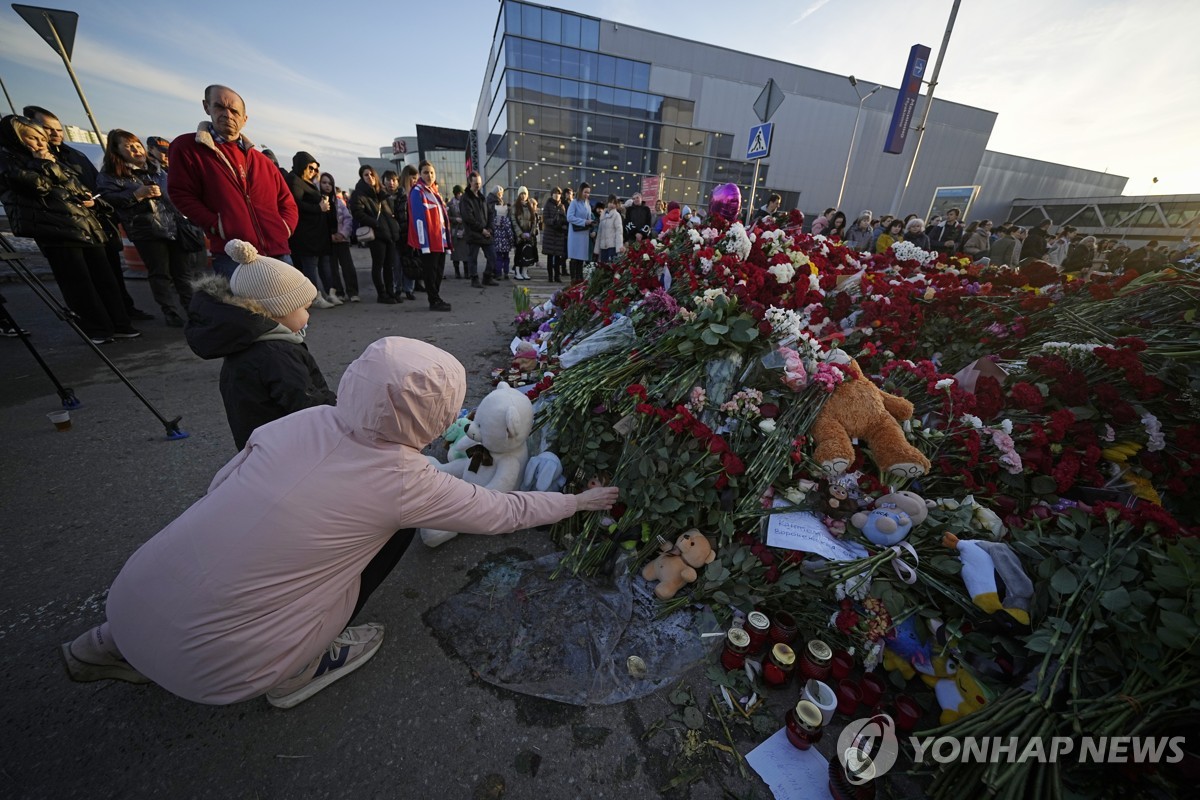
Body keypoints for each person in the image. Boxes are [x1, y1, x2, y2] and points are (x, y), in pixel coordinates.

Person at [59, 336, 621, 708]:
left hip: (126, 601)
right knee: (390, 534)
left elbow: (220, 488)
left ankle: (107, 646)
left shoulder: (306, 420)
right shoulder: (406, 482)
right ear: (433, 416)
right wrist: (575, 503)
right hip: (215, 670)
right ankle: (296, 668)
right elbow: (503, 510)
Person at [0, 115, 139, 344]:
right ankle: (97, 329)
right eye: (33, 138)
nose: (40, 143)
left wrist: (92, 202)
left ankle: (119, 324)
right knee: (78, 283)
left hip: (84, 224)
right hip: (55, 230)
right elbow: (37, 186)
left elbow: (74, 184)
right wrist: (44, 163)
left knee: (105, 279)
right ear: (17, 137)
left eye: (41, 138)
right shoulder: (10, 160)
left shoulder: (53, 158)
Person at [184, 239, 335, 449]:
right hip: (287, 449)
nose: (308, 316)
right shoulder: (277, 354)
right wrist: (337, 411)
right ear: (277, 311)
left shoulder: (248, 343)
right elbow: (304, 403)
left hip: (261, 447)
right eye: (303, 308)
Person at [24, 104, 154, 322]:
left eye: (58, 129)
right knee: (80, 280)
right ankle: (98, 323)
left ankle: (122, 312)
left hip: (96, 223)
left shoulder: (74, 155)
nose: (55, 134)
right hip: (62, 228)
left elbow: (98, 188)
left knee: (110, 274)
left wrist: (97, 203)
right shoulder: (30, 160)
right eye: (48, 129)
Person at [166, 86, 299, 279]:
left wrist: (283, 228)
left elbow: (287, 201)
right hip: (233, 254)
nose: (228, 115)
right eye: (220, 106)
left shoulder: (262, 161)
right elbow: (180, 193)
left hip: (277, 251)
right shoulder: (188, 148)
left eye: (235, 111)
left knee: (291, 306)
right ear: (207, 107)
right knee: (246, 308)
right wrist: (217, 225)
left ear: (244, 119)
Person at [97, 129, 199, 327]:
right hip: (147, 231)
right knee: (160, 272)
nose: (136, 150)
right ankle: (170, 311)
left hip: (175, 226)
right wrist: (137, 195)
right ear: (116, 150)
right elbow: (107, 201)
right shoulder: (111, 175)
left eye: (137, 145)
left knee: (183, 272)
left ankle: (192, 310)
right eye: (128, 146)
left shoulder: (158, 169)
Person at [285, 152, 338, 308]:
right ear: (302, 165)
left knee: (322, 263)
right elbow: (295, 204)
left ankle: (329, 293)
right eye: (310, 168)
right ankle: (314, 297)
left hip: (317, 232)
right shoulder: (294, 180)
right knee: (310, 265)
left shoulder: (305, 182)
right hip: (306, 234)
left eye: (316, 169)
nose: (313, 172)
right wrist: (318, 207)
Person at [350, 165, 401, 304]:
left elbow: (389, 212)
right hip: (376, 234)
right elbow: (357, 213)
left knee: (389, 265)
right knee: (378, 265)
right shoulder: (359, 194)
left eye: (372, 174)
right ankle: (382, 294)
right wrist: (375, 223)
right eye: (366, 175)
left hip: (388, 233)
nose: (370, 177)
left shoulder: (380, 192)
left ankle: (391, 292)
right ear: (362, 177)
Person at [408, 159, 453, 312]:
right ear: (420, 174)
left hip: (440, 239)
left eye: (432, 172)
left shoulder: (434, 192)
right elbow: (418, 219)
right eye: (426, 172)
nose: (429, 175)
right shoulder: (417, 191)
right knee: (430, 271)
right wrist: (424, 243)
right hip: (429, 241)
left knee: (439, 271)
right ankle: (433, 300)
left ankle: (436, 297)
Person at [320, 172, 359, 302]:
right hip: (327, 241)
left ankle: (353, 292)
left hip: (342, 239)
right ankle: (339, 292)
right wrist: (329, 236)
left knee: (348, 267)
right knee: (332, 269)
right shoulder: (318, 202)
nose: (327, 186)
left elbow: (348, 218)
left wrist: (342, 234)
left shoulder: (338, 202)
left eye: (329, 183)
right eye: (324, 183)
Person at [460, 172, 497, 288]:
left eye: (479, 183)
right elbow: (468, 218)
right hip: (473, 233)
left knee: (493, 256)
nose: (478, 185)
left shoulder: (482, 198)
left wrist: (490, 228)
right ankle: (474, 278)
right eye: (476, 183)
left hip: (485, 232)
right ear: (470, 182)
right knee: (473, 258)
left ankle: (487, 276)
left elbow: (490, 213)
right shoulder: (465, 198)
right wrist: (482, 230)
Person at [566, 181, 595, 283]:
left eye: (588, 192)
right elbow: (569, 217)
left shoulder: (587, 203)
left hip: (584, 233)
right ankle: (573, 278)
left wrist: (591, 223)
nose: (587, 194)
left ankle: (579, 278)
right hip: (575, 233)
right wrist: (584, 222)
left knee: (581, 258)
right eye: (585, 192)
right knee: (575, 257)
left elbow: (589, 216)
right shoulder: (574, 202)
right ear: (580, 191)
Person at [511, 186, 539, 281]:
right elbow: (513, 221)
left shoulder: (530, 207)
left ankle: (524, 272)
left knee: (527, 253)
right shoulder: (515, 207)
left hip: (528, 235)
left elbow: (534, 221)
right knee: (518, 253)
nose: (523, 196)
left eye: (525, 194)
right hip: (520, 236)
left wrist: (531, 233)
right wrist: (520, 233)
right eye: (521, 194)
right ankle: (517, 272)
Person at [540, 186, 567, 283]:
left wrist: (562, 224)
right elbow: (545, 219)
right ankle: (550, 276)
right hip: (550, 234)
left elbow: (564, 219)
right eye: (555, 193)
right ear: (552, 195)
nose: (557, 195)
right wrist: (554, 221)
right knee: (550, 257)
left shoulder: (562, 206)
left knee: (558, 257)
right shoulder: (548, 205)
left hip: (559, 234)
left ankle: (557, 276)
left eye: (559, 193)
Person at [489, 185, 513, 281]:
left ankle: (498, 273)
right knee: (506, 258)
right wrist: (512, 242)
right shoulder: (506, 220)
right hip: (506, 243)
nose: (502, 196)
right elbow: (509, 232)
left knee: (498, 258)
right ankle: (505, 273)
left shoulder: (495, 220)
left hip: (497, 241)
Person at [597, 194, 624, 265]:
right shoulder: (603, 215)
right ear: (607, 202)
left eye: (614, 203)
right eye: (610, 202)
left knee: (611, 266)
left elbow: (619, 232)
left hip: (612, 246)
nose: (612, 205)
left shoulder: (616, 215)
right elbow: (600, 232)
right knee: (602, 266)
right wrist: (597, 247)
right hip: (603, 246)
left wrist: (619, 247)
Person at [447, 185, 467, 279]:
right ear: (455, 194)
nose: (460, 195)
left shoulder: (465, 203)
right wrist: (455, 219)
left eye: (461, 193)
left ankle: (467, 272)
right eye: (458, 193)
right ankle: (457, 272)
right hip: (455, 231)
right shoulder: (450, 204)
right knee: (456, 254)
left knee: (466, 253)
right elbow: (447, 217)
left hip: (464, 230)